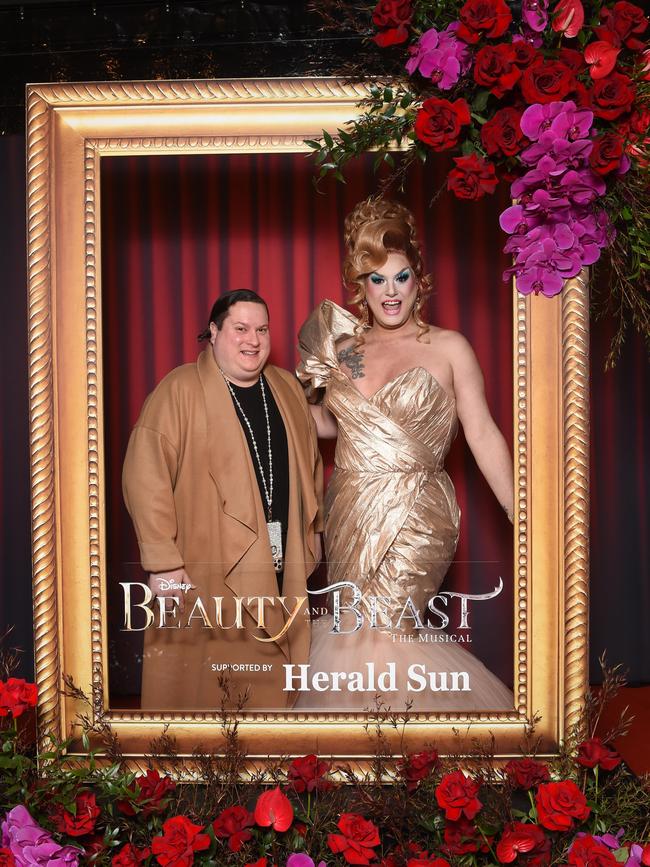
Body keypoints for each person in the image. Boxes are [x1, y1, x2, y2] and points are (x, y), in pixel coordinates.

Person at [294, 198, 514, 711]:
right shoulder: (345, 349)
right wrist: (298, 395)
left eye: (402, 276)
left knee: (390, 629)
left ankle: (410, 757)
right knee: (353, 632)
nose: (390, 292)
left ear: (420, 279)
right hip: (350, 505)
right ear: (360, 284)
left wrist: (520, 515)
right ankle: (364, 771)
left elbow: (481, 432)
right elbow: (331, 426)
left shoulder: (449, 347)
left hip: (418, 510)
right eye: (376, 279)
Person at [122, 289, 323, 710]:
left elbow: (312, 465)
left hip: (278, 559)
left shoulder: (286, 387)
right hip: (200, 565)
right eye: (241, 329)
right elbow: (145, 473)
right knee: (205, 684)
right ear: (213, 333)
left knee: (273, 679)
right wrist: (162, 560)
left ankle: (265, 769)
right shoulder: (179, 389)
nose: (253, 339)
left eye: (262, 329)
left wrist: (312, 532)